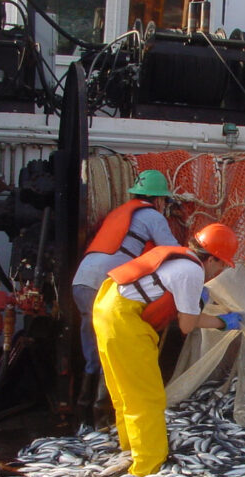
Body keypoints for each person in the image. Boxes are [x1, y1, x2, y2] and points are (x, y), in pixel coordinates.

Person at [92, 222, 242, 477]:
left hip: (106, 307)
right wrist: (222, 322)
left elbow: (184, 316)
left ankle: (130, 448)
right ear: (213, 259)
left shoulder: (178, 258)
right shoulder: (192, 272)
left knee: (124, 392)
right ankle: (147, 467)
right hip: (124, 321)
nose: (220, 272)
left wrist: (211, 316)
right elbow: (187, 326)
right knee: (147, 397)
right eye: (223, 265)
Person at [72, 169, 181, 429]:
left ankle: (82, 415)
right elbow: (172, 251)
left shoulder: (119, 212)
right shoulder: (152, 215)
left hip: (81, 281)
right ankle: (103, 417)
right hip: (103, 284)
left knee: (94, 350)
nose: (165, 205)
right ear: (157, 199)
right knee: (111, 349)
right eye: (164, 200)